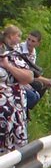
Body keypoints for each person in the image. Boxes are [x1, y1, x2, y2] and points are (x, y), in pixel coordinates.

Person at [0, 25, 33, 153]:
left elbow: (29, 77)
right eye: (17, 35)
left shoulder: (11, 56)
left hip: (11, 108)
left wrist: (8, 66)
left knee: (10, 146)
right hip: (7, 108)